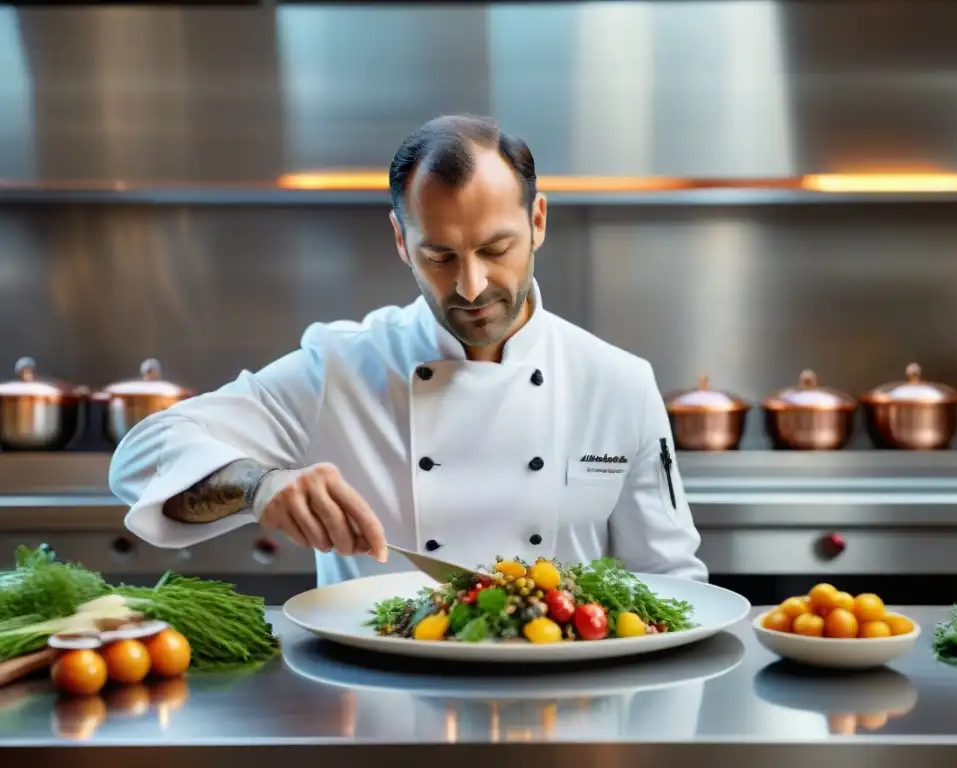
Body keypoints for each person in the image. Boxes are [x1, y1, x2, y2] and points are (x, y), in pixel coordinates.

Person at [109, 114, 708, 586]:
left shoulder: (618, 383)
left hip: (567, 706)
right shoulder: (337, 371)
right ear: (401, 240)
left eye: (496, 249)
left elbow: (671, 582)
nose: (470, 286)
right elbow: (139, 457)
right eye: (439, 257)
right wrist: (258, 485)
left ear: (538, 222)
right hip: (378, 710)